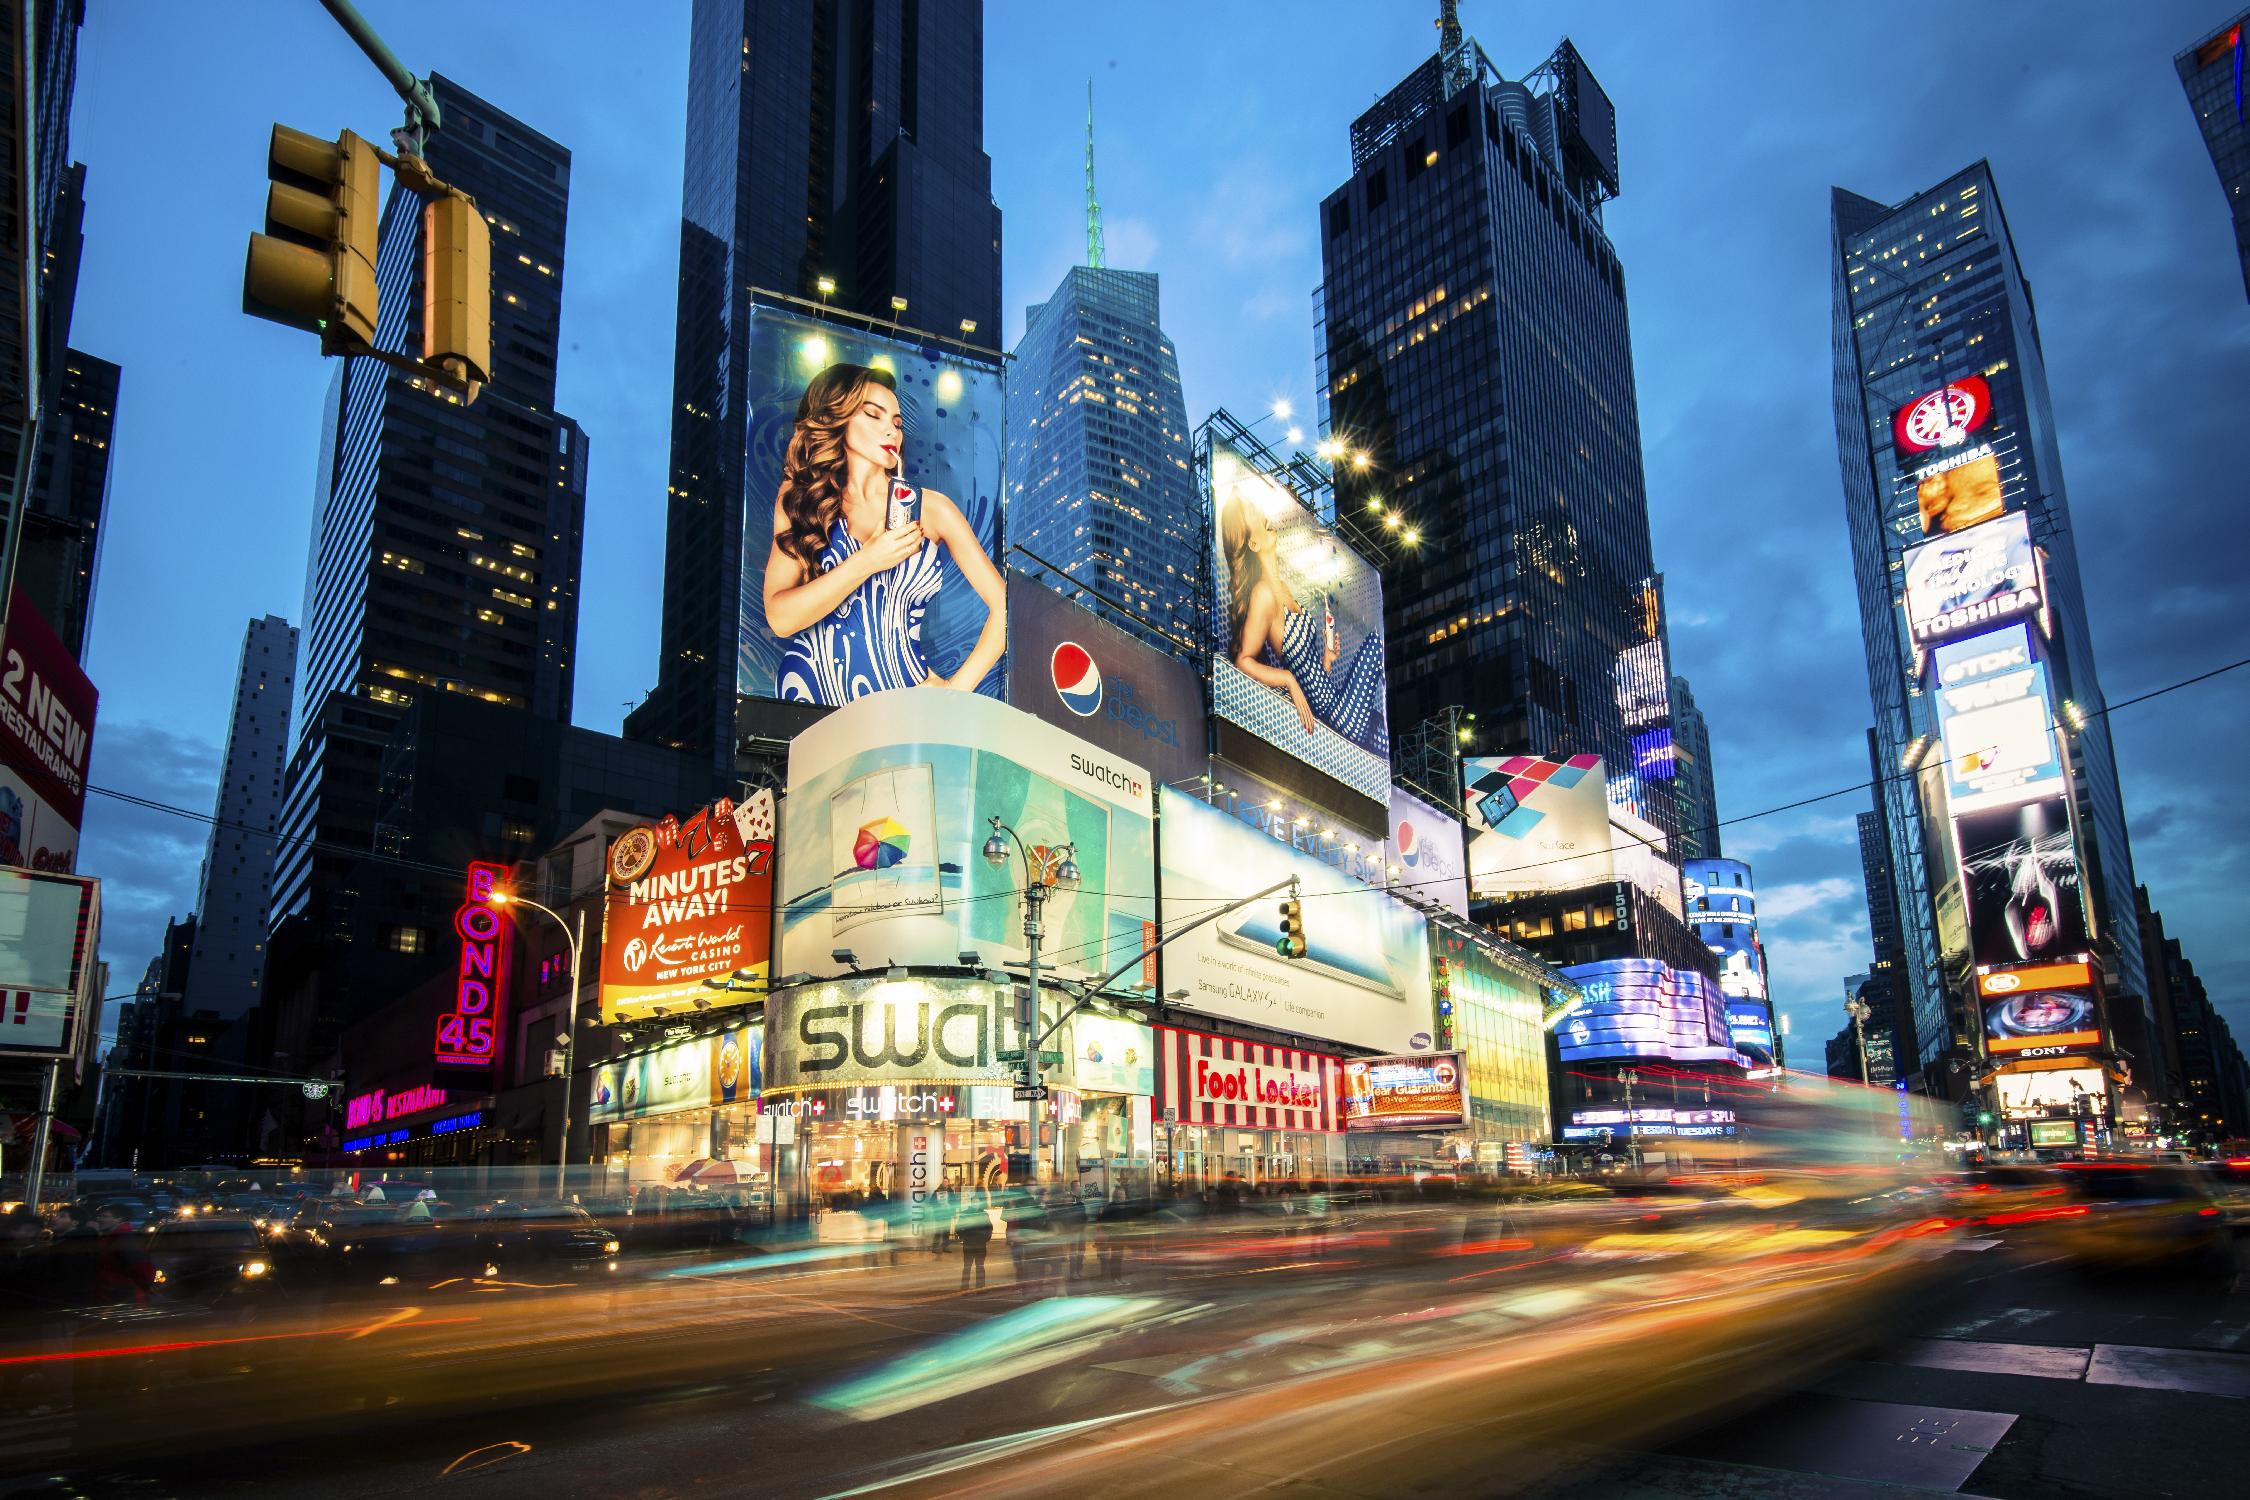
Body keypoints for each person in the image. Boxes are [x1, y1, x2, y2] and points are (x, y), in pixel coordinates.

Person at [763, 362, 1006, 703]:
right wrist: (868, 560)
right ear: (837, 418)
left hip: (904, 708)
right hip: (811, 696)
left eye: (897, 423)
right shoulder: (804, 499)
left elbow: (1007, 609)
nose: (892, 431)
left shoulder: (932, 509)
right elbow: (780, 618)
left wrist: (953, 694)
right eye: (873, 415)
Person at [1219, 493, 1384, 747]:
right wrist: (1288, 679)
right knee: (1375, 644)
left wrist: (1326, 661)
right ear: (1253, 543)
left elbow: (1310, 675)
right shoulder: (1263, 594)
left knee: (1380, 730)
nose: (1262, 513)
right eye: (1252, 511)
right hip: (1336, 716)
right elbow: (1243, 660)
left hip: (1336, 704)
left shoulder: (1283, 588)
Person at [89, 1204, 156, 1307]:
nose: (99, 1219)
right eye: (99, 1216)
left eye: (104, 1216)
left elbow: (142, 1268)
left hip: (121, 1295)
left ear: (119, 1219)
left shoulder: (124, 1239)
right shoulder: (114, 1237)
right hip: (115, 1293)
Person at [951, 1182, 993, 1291]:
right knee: (967, 1267)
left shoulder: (984, 1214)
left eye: (977, 1202)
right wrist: (964, 1237)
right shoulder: (965, 1214)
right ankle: (965, 1287)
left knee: (980, 1267)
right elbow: (958, 1228)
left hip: (980, 1245)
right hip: (969, 1244)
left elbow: (989, 1228)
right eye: (974, 1201)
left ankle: (980, 1288)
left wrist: (985, 1238)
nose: (975, 1204)